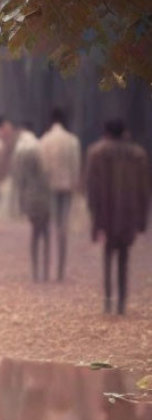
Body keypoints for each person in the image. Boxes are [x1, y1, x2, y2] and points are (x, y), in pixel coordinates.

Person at [85, 119, 150, 315]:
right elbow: (144, 190)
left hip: (105, 212)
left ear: (106, 132)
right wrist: (142, 219)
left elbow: (91, 189)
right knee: (124, 257)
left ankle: (107, 300)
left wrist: (94, 218)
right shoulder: (138, 155)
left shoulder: (96, 154)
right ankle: (122, 301)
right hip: (128, 214)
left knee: (107, 254)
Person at [39, 108, 82, 281]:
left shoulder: (44, 140)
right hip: (66, 187)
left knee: (49, 226)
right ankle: (60, 271)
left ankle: (46, 269)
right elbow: (76, 166)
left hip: (49, 187)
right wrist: (74, 183)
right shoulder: (72, 141)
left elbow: (41, 167)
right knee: (62, 227)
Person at [11, 124, 53, 282]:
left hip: (30, 197)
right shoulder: (38, 148)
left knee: (35, 234)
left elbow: (18, 178)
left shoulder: (20, 151)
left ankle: (35, 270)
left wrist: (21, 201)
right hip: (43, 196)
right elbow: (45, 173)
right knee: (45, 233)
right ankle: (45, 270)